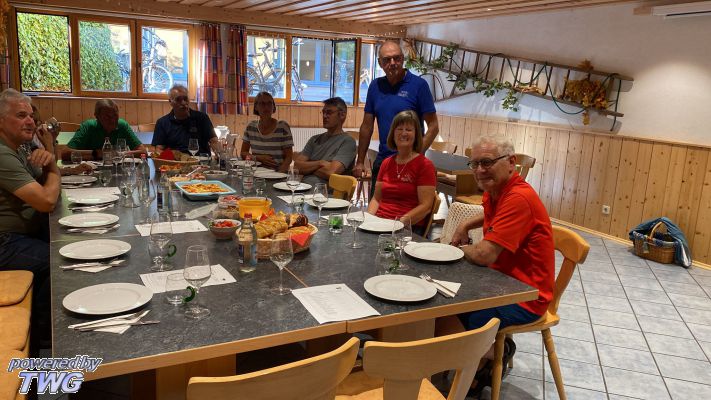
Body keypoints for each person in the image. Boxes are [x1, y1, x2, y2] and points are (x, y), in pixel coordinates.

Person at [437, 134, 555, 396]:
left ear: (511, 162)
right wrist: (466, 223)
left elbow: (484, 255)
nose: (480, 170)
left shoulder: (518, 198)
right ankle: (475, 357)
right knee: (442, 299)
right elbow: (492, 214)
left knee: (459, 310)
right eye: (475, 163)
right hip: (500, 283)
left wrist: (453, 250)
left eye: (487, 162)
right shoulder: (497, 191)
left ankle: (485, 359)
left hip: (527, 296)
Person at [0, 89, 59, 352]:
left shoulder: (20, 148)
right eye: (21, 115)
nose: (30, 121)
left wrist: (48, 154)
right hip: (6, 243)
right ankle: (46, 336)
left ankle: (44, 328)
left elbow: (48, 186)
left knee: (67, 242)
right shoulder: (2, 154)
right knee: (58, 261)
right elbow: (47, 200)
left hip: (25, 233)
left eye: (31, 116)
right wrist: (52, 166)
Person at [354, 40, 439, 198]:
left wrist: (416, 155)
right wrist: (360, 161)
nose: (392, 63)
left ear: (403, 59)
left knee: (405, 209)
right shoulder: (375, 86)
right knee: (376, 208)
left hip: (412, 163)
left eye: (397, 58)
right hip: (384, 161)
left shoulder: (419, 85)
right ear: (380, 63)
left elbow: (433, 126)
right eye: (387, 60)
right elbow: (366, 127)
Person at [367, 110, 436, 233]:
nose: (403, 133)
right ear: (393, 134)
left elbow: (426, 206)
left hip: (407, 228)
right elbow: (376, 199)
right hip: (380, 223)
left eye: (409, 130)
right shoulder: (386, 163)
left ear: (416, 135)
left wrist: (399, 223)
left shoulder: (425, 165)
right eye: (399, 129)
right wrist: (368, 219)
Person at [293, 97, 356, 186]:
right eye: (323, 112)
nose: (325, 116)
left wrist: (308, 166)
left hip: (326, 192)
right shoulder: (314, 139)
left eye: (329, 112)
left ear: (342, 115)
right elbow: (297, 167)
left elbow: (331, 172)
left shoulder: (348, 142)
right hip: (303, 188)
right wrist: (320, 163)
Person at [65, 99, 145, 161]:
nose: (112, 120)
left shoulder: (122, 125)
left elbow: (143, 152)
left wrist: (120, 154)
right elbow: (65, 153)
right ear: (97, 116)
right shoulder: (89, 126)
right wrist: (96, 153)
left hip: (117, 170)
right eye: (107, 117)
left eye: (115, 115)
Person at [152, 84, 222, 155]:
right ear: (171, 102)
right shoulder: (162, 123)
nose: (183, 103)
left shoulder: (202, 118)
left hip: (201, 160)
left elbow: (214, 142)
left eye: (185, 99)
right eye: (178, 100)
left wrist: (220, 156)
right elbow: (159, 149)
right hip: (175, 161)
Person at [31, 105, 92, 176]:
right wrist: (72, 170)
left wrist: (53, 140)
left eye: (36, 122)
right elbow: (44, 174)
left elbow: (53, 165)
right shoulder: (27, 143)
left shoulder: (36, 136)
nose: (34, 125)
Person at [240, 91, 293, 172]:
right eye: (262, 103)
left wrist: (279, 174)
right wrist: (257, 158)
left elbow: (289, 157)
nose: (266, 107)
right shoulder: (251, 127)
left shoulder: (282, 127)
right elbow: (243, 153)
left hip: (278, 173)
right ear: (256, 107)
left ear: (273, 107)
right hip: (256, 173)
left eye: (269, 103)